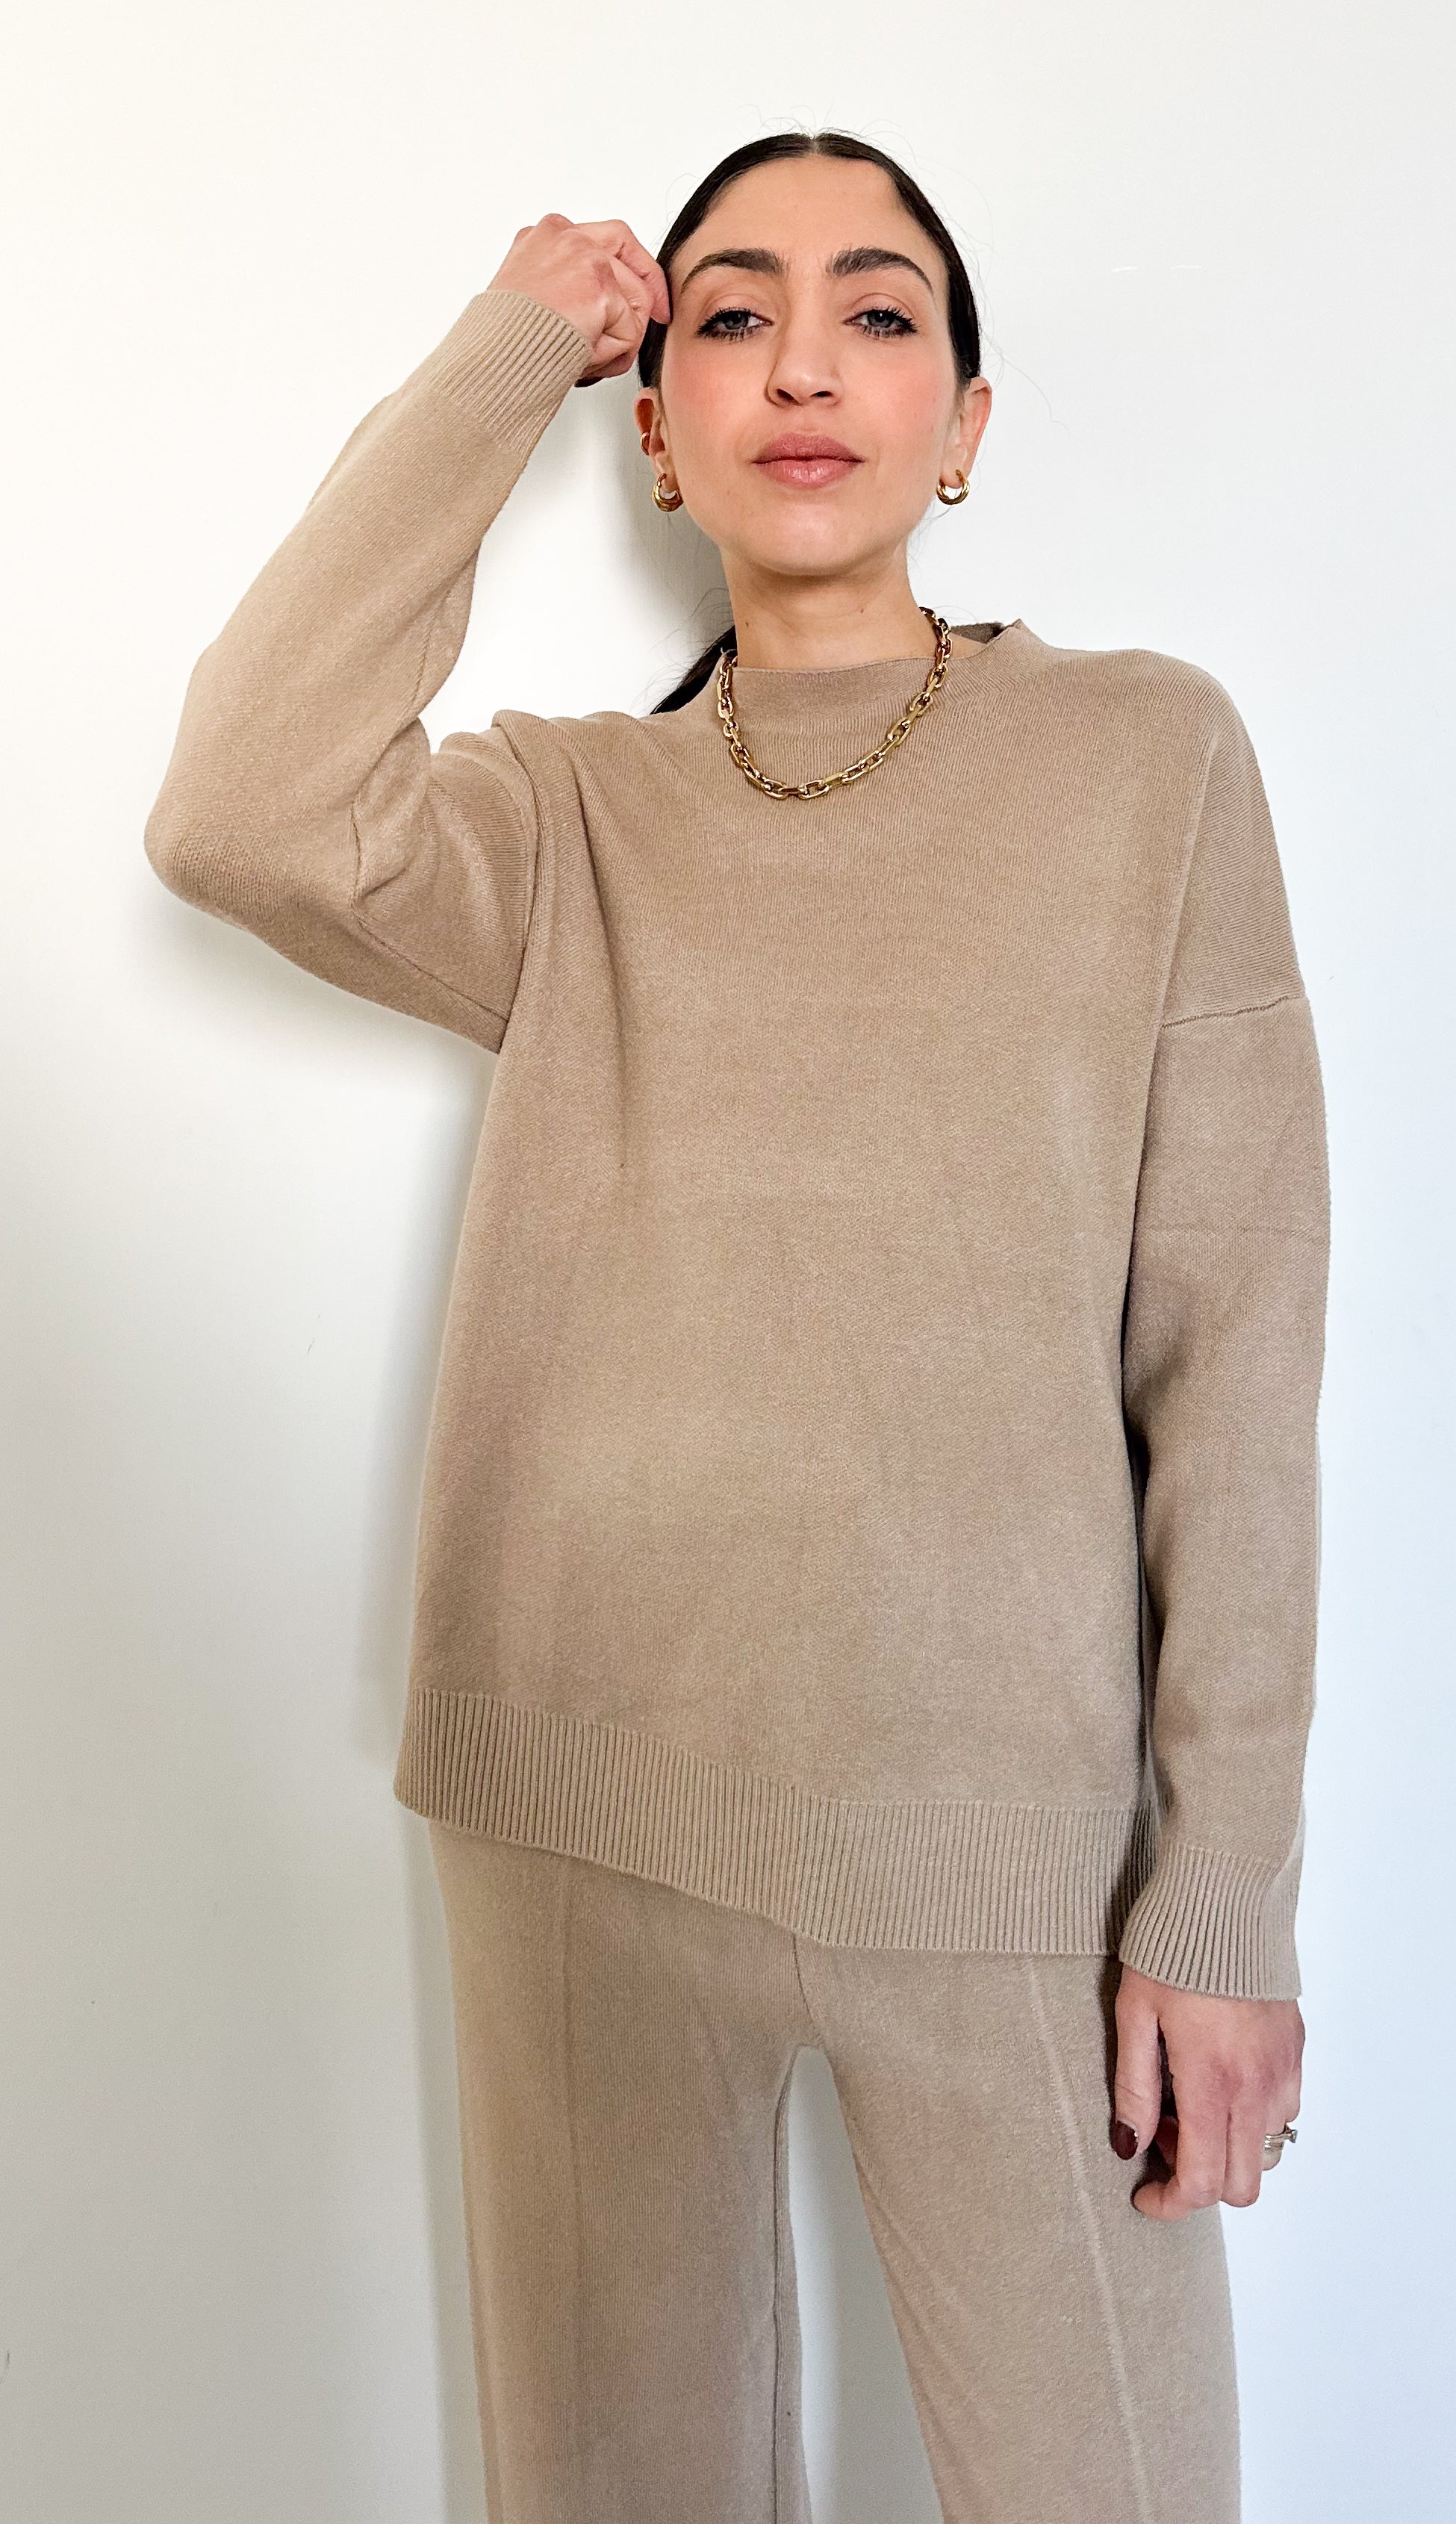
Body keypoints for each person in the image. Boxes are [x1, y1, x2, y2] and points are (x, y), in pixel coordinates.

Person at [144, 128, 1329, 2524]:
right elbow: (242, 811)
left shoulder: (1146, 759)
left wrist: (1218, 1897)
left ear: (961, 426)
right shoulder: (566, 824)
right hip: (575, 1812)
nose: (803, 363)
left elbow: (1233, 1355)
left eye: (878, 314)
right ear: (658, 429)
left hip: (1005, 1859)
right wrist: (508, 350)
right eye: (727, 317)